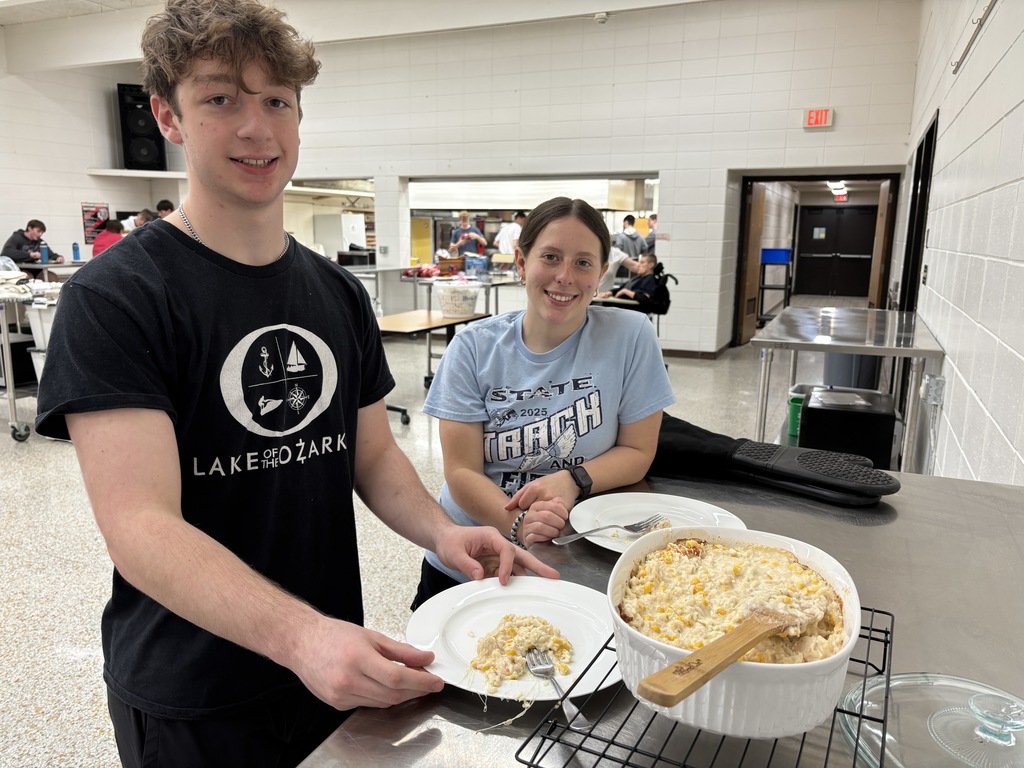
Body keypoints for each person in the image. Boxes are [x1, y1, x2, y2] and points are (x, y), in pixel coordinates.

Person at [34, 2, 557, 766]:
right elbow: (140, 524)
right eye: (220, 98)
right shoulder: (119, 297)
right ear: (167, 117)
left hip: (330, 668)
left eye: (277, 100)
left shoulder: (335, 293)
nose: (257, 127)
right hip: (196, 690)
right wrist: (299, 635)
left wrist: (442, 534)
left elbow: (372, 457)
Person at [412, 196, 675, 609]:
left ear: (602, 274)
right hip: (474, 555)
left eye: (583, 263)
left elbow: (638, 451)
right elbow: (461, 471)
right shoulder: (473, 348)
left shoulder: (630, 336)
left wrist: (573, 479)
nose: (564, 277)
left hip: (576, 558)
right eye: (550, 257)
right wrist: (518, 523)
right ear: (522, 262)